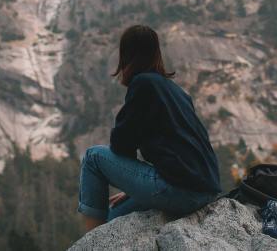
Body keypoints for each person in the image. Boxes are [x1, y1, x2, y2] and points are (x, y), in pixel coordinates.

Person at [77, 24, 221, 231]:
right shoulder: (177, 91)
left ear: (126, 54)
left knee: (92, 157)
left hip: (178, 190)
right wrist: (133, 188)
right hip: (204, 192)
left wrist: (133, 181)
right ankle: (101, 237)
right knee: (113, 217)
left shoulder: (143, 84)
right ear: (156, 53)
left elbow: (121, 145)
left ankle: (89, 243)